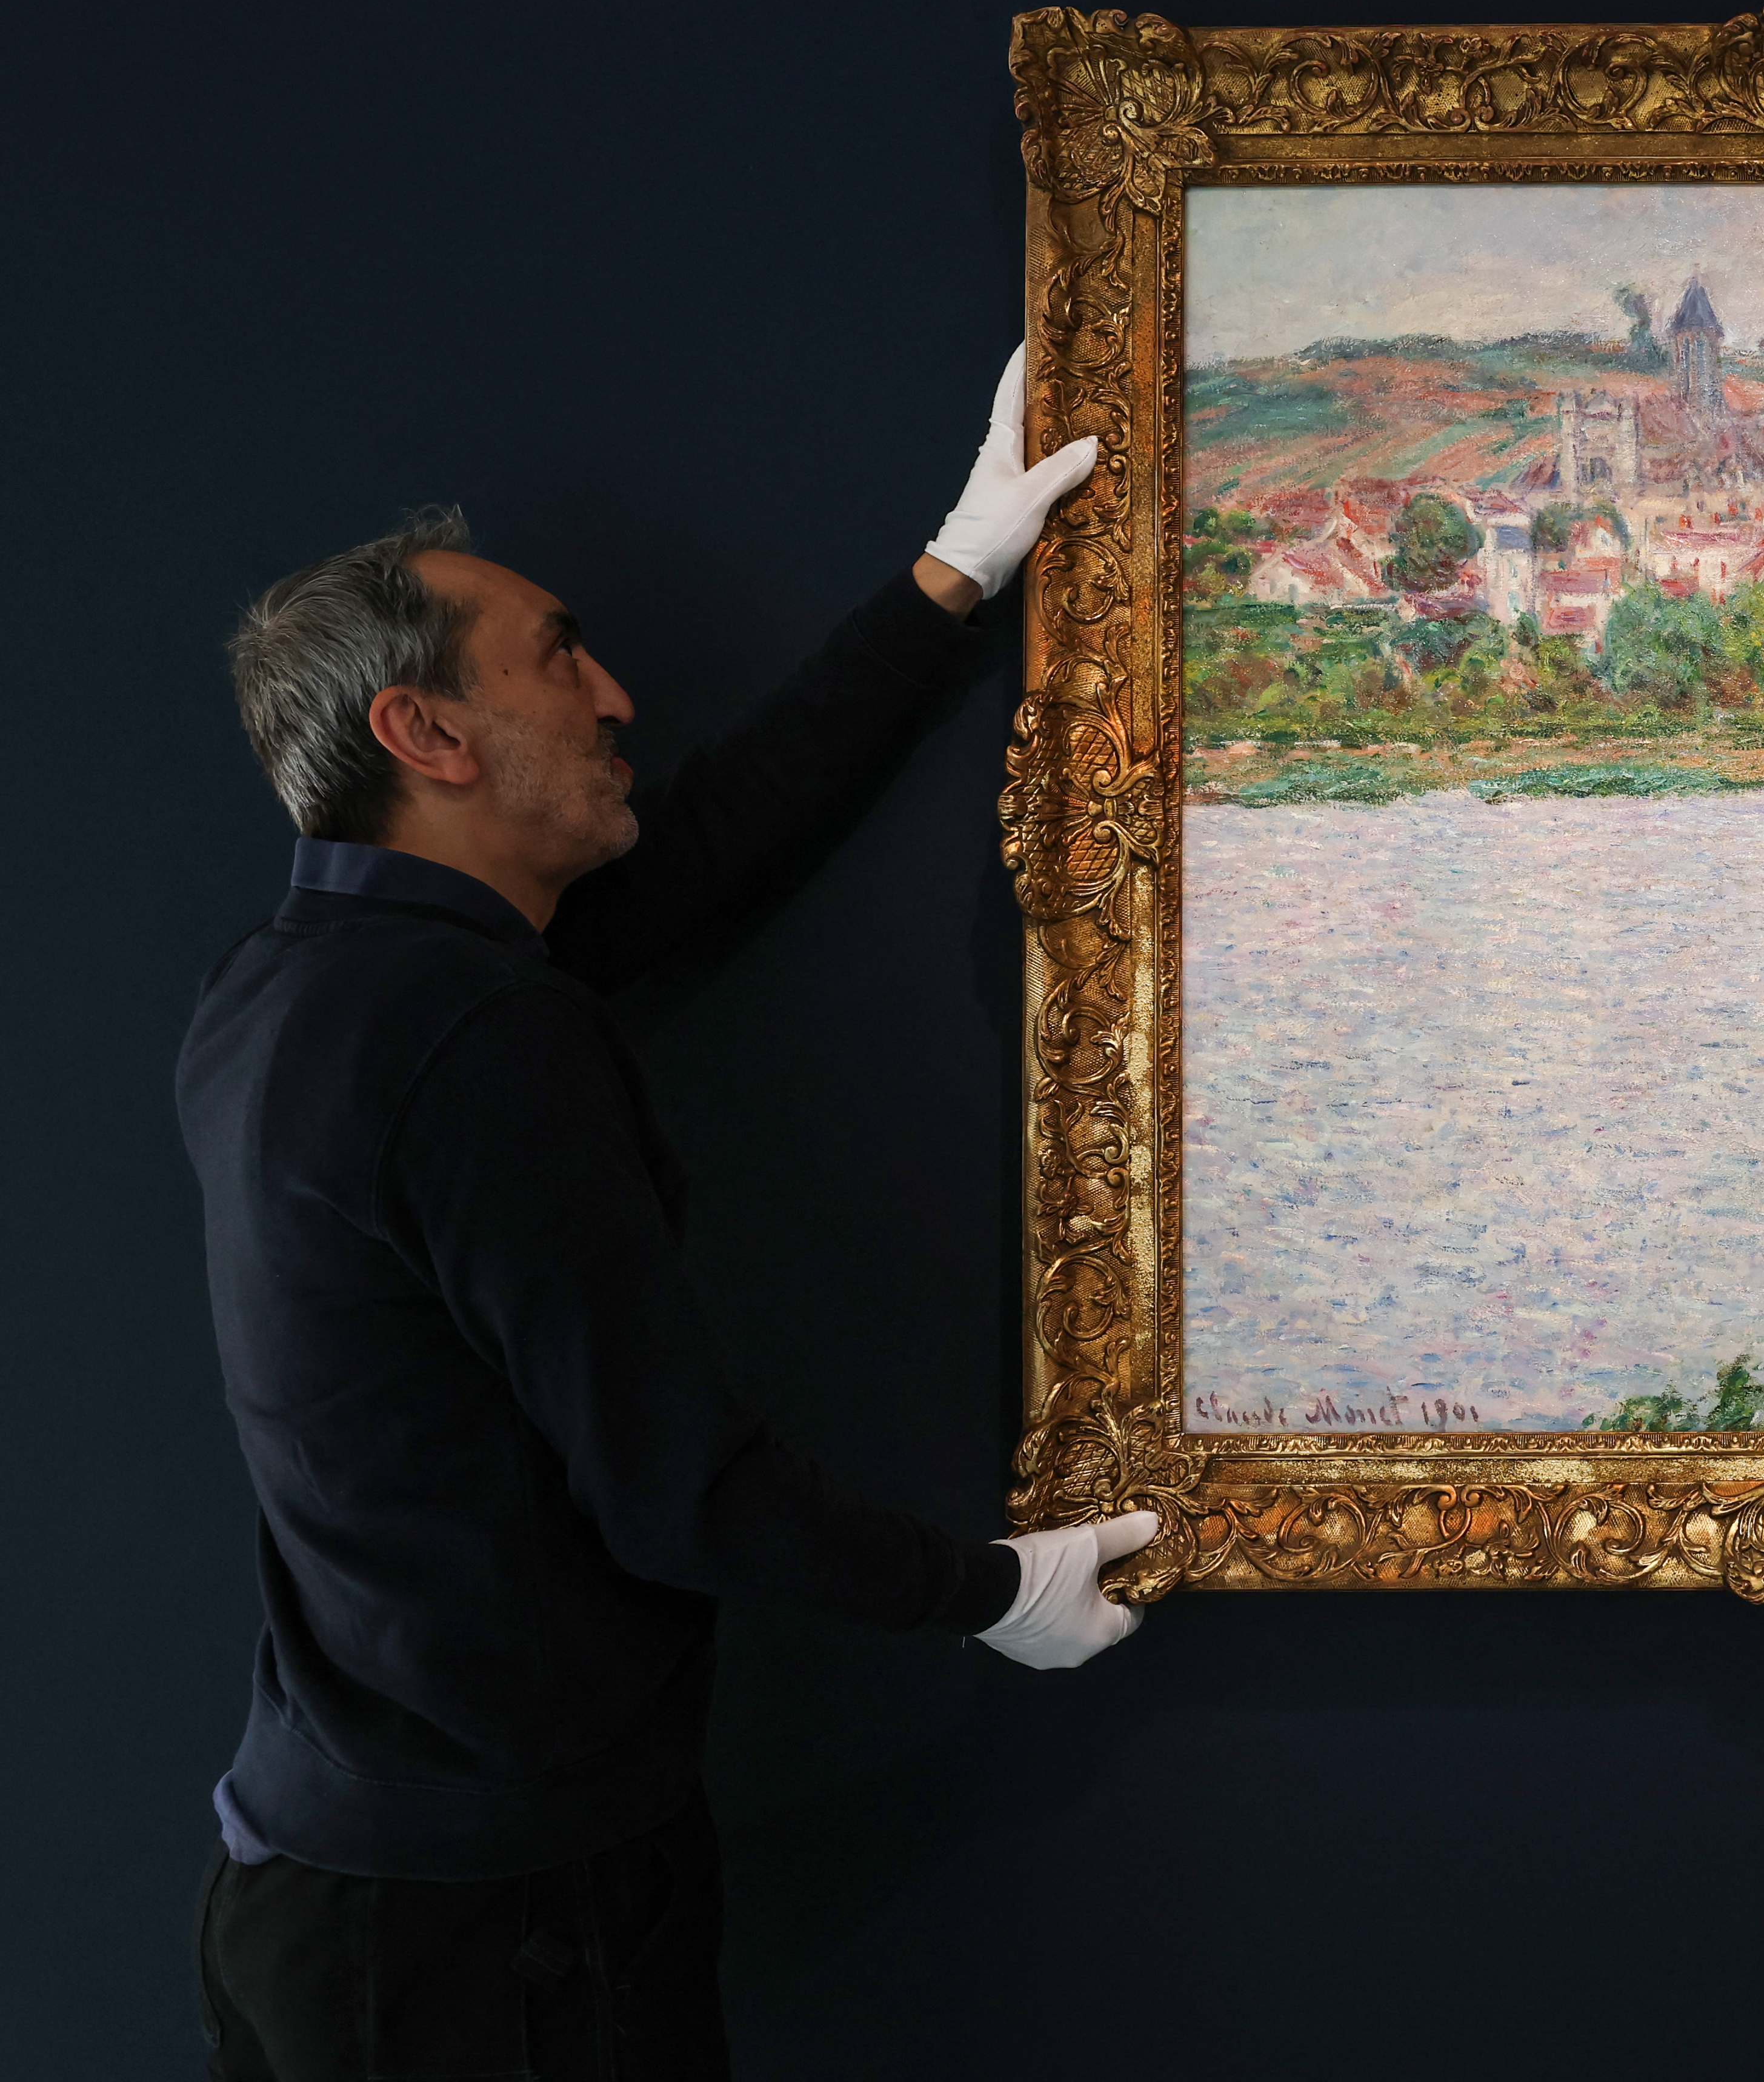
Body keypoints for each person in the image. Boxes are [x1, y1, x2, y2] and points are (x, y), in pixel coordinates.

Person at [179, 353, 1165, 2080]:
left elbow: (696, 854)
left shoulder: (291, 990)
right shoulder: (470, 1035)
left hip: (337, 1888)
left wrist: (960, 567)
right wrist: (988, 1587)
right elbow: (677, 1485)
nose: (617, 691)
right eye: (560, 656)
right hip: (487, 1947)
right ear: (425, 733)